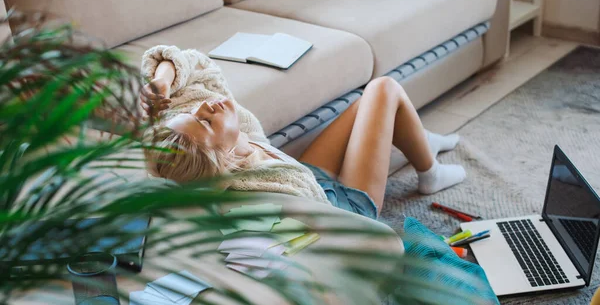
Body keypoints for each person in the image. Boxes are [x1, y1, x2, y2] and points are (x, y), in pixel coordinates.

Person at [141, 46, 466, 219]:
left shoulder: (203, 144)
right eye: (204, 122)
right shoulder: (255, 188)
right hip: (344, 207)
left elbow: (193, 62)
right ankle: (430, 172)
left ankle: (419, 142)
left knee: (367, 101)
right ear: (223, 159)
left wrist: (163, 82)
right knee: (383, 89)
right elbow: (317, 218)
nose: (203, 108)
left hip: (306, 173)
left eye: (190, 112)